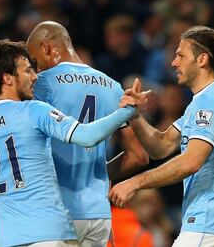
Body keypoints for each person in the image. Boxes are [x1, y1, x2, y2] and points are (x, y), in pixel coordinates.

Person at [0, 40, 138, 247]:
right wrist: (126, 111)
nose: (35, 76)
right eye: (27, 71)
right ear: (8, 78)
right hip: (48, 233)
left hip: (6, 238)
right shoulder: (34, 111)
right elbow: (87, 136)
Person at [109, 26, 214, 246]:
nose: (174, 62)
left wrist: (134, 183)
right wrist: (135, 115)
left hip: (208, 225)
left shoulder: (209, 101)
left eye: (181, 55)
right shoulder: (210, 99)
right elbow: (161, 146)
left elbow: (191, 162)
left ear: (202, 59)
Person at [24, 21, 149, 246]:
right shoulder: (113, 87)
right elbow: (138, 156)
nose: (35, 70)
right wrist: (97, 172)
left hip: (55, 211)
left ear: (46, 48)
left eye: (33, 61)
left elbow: (26, 150)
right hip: (98, 216)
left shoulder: (41, 85)